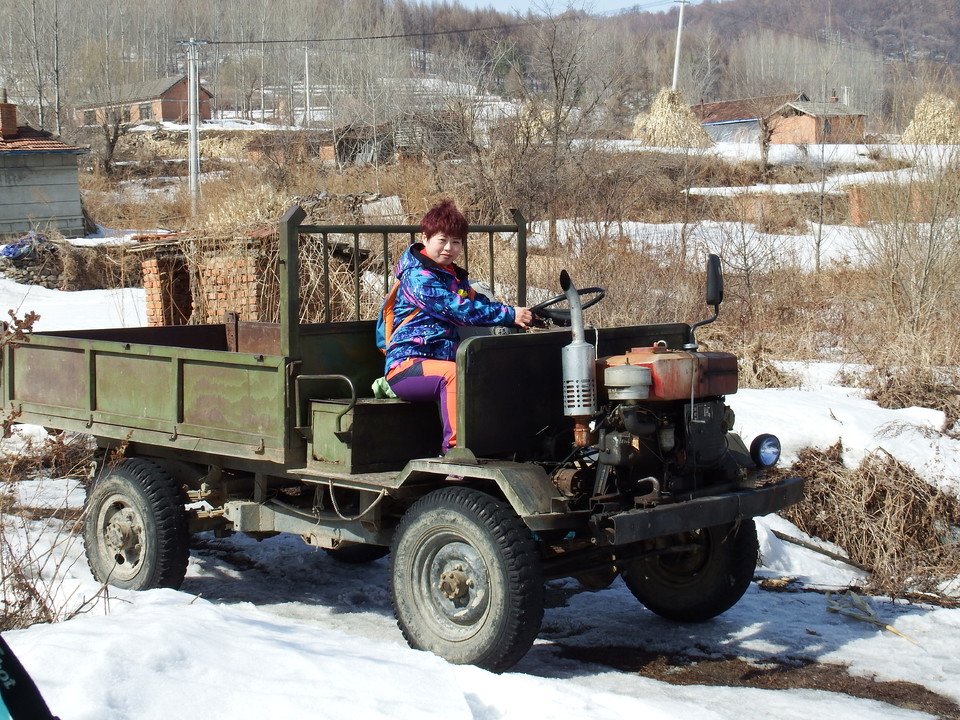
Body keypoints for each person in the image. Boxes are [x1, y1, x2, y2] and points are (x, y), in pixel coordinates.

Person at [377, 199, 533, 455]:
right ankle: (454, 454)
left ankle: (509, 447)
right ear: (425, 238)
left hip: (442, 361)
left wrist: (527, 315)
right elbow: (457, 309)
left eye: (457, 242)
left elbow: (480, 303)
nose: (449, 248)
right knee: (453, 374)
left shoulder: (452, 277)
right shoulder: (418, 277)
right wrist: (507, 315)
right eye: (442, 240)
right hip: (407, 366)